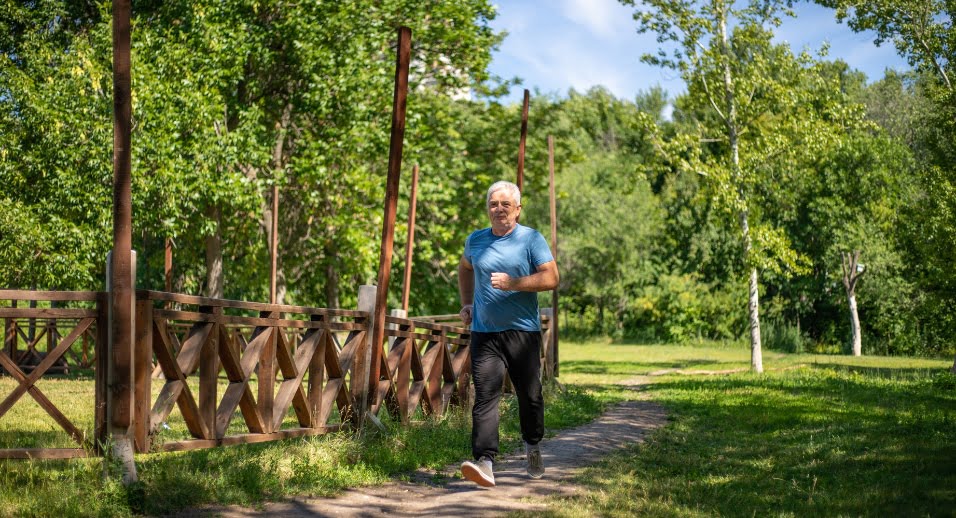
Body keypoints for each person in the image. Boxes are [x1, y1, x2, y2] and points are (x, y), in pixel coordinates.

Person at [457, 180, 559, 488]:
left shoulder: (530, 239)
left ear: (517, 209)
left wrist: (514, 283)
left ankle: (532, 444)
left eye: (505, 204)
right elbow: (464, 268)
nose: (498, 209)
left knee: (530, 395)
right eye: (493, 204)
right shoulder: (475, 240)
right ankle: (485, 462)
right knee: (485, 396)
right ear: (487, 209)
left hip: (522, 332)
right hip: (484, 333)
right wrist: (466, 302)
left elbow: (552, 278)